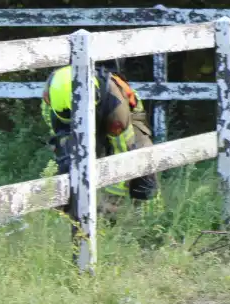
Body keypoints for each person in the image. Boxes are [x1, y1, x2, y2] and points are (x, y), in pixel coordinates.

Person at [41, 64, 158, 212]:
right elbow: (52, 122)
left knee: (141, 159)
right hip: (76, 117)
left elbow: (123, 153)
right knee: (68, 162)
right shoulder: (53, 90)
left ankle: (148, 217)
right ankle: (69, 214)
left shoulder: (117, 110)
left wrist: (112, 200)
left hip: (126, 116)